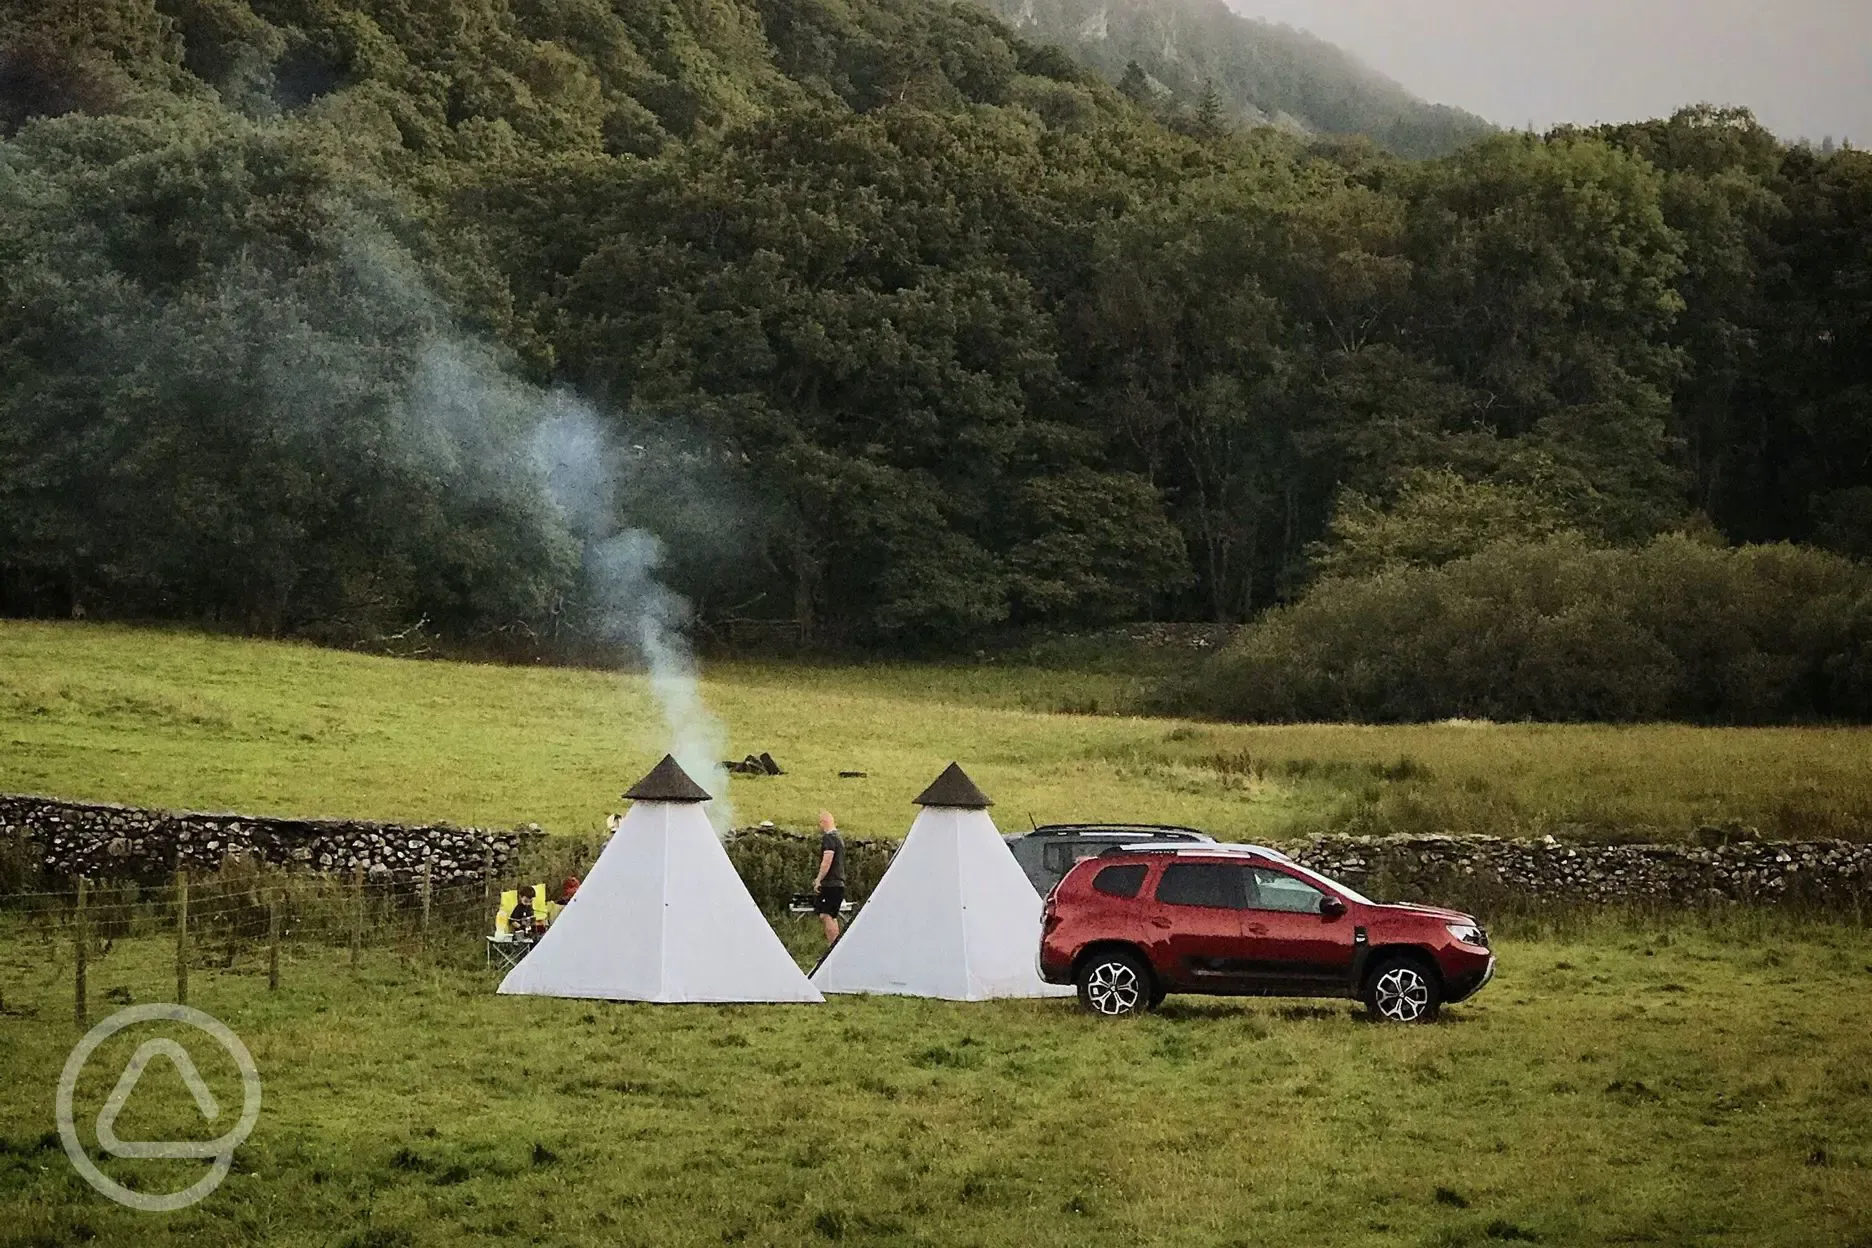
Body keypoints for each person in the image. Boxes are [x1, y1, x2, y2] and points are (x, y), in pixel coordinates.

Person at [812, 809, 846, 945]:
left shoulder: (829, 838)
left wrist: (819, 879)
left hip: (831, 884)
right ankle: (835, 945)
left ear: (824, 822)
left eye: (820, 823)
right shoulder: (839, 838)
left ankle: (832, 947)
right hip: (838, 883)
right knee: (830, 915)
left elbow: (827, 859)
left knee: (827, 915)